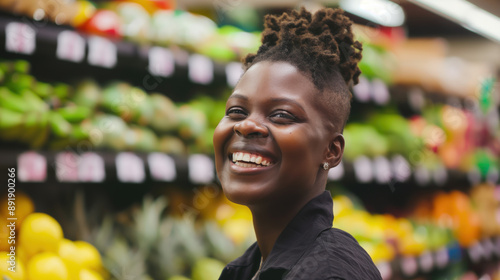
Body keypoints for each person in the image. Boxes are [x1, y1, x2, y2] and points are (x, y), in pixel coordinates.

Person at [213, 6, 382, 280]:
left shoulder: (329, 274)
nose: (246, 125)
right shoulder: (245, 269)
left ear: (332, 150)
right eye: (236, 111)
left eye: (281, 115)